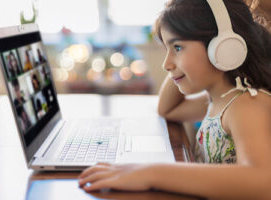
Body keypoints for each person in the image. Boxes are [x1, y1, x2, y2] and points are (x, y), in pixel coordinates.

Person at [78, 0, 271, 199]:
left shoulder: (247, 105)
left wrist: (151, 173)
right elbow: (167, 109)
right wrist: (179, 66)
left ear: (221, 47)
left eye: (177, 47)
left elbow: (263, 181)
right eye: (166, 50)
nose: (166, 64)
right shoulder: (218, 99)